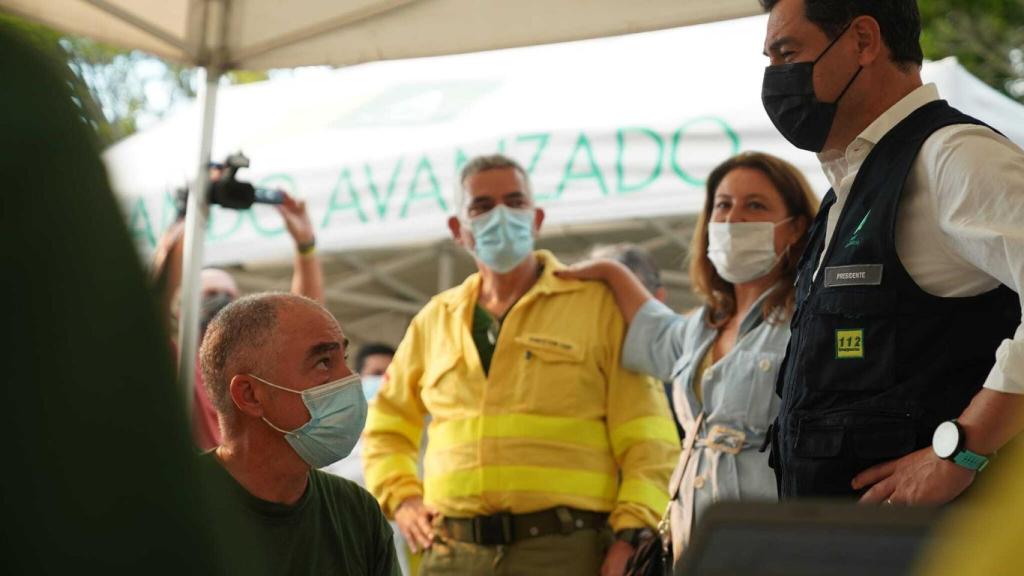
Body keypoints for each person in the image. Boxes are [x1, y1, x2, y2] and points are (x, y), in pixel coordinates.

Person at [362, 154, 679, 576]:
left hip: (567, 551)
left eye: (514, 202)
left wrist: (633, 533)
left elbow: (648, 434)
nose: (501, 216)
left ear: (536, 217)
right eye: (482, 207)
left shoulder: (595, 306)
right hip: (452, 555)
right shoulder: (434, 318)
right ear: (458, 229)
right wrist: (402, 500)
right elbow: (386, 425)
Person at [759, 0, 1024, 503]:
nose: (774, 77)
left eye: (787, 52)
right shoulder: (848, 188)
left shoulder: (952, 155)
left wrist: (962, 449)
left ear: (862, 41)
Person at [559, 152, 818, 558]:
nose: (734, 219)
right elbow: (652, 325)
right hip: (695, 545)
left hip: (776, 548)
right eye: (723, 205)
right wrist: (611, 272)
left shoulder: (809, 319)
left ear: (796, 227)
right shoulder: (701, 327)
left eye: (755, 205)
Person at [199, 292, 400, 575]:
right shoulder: (171, 510)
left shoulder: (356, 511)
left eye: (343, 358)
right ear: (250, 395)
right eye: (323, 363)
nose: (351, 378)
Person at [152, 192, 324, 450]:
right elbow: (159, 293)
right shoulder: (180, 363)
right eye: (209, 294)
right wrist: (190, 215)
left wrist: (306, 246)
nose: (220, 301)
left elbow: (305, 323)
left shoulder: (256, 367)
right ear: (182, 309)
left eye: (229, 296)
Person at [589, 243, 684, 440]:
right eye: (595, 296)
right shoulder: (573, 369)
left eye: (622, 296)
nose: (607, 308)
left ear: (658, 298)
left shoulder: (679, 375)